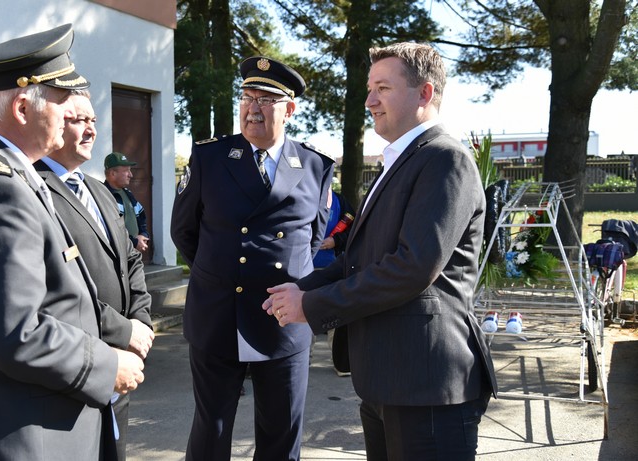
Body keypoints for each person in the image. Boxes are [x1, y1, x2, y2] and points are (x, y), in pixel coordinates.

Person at [264, 42, 498, 460]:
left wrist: (312, 305)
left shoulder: (445, 159)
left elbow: (411, 267)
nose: (369, 100)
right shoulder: (400, 161)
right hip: (388, 381)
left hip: (426, 385)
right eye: (370, 88)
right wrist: (296, 290)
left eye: (383, 88)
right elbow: (357, 259)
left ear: (425, 94)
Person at [0, 24, 144, 460]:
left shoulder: (8, 171)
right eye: (64, 106)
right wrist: (106, 365)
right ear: (23, 108)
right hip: (22, 434)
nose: (72, 119)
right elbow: (17, 331)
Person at [171, 56, 335, 461]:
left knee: (281, 434)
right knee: (211, 430)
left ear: (290, 109)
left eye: (266, 99)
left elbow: (313, 240)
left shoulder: (315, 166)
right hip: (218, 314)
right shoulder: (210, 158)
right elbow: (184, 231)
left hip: (284, 320)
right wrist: (220, 274)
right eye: (246, 97)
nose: (253, 108)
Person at [34, 90, 154, 461]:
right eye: (79, 121)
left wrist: (142, 323)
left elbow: (130, 261)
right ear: (53, 122)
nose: (90, 131)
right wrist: (124, 330)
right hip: (77, 362)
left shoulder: (100, 191)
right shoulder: (35, 189)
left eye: (93, 122)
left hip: (121, 361)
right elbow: (59, 289)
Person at [312, 188, 355, 377]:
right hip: (305, 269)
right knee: (304, 314)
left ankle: (340, 363)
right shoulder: (304, 193)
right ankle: (301, 360)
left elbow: (354, 228)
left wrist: (336, 240)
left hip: (333, 267)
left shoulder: (340, 200)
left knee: (335, 316)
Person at [103, 153, 150, 253]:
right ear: (112, 173)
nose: (131, 175)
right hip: (118, 256)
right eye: (126, 171)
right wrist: (134, 242)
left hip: (133, 254)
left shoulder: (128, 193)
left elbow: (141, 216)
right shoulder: (104, 196)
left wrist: (143, 235)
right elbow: (111, 229)